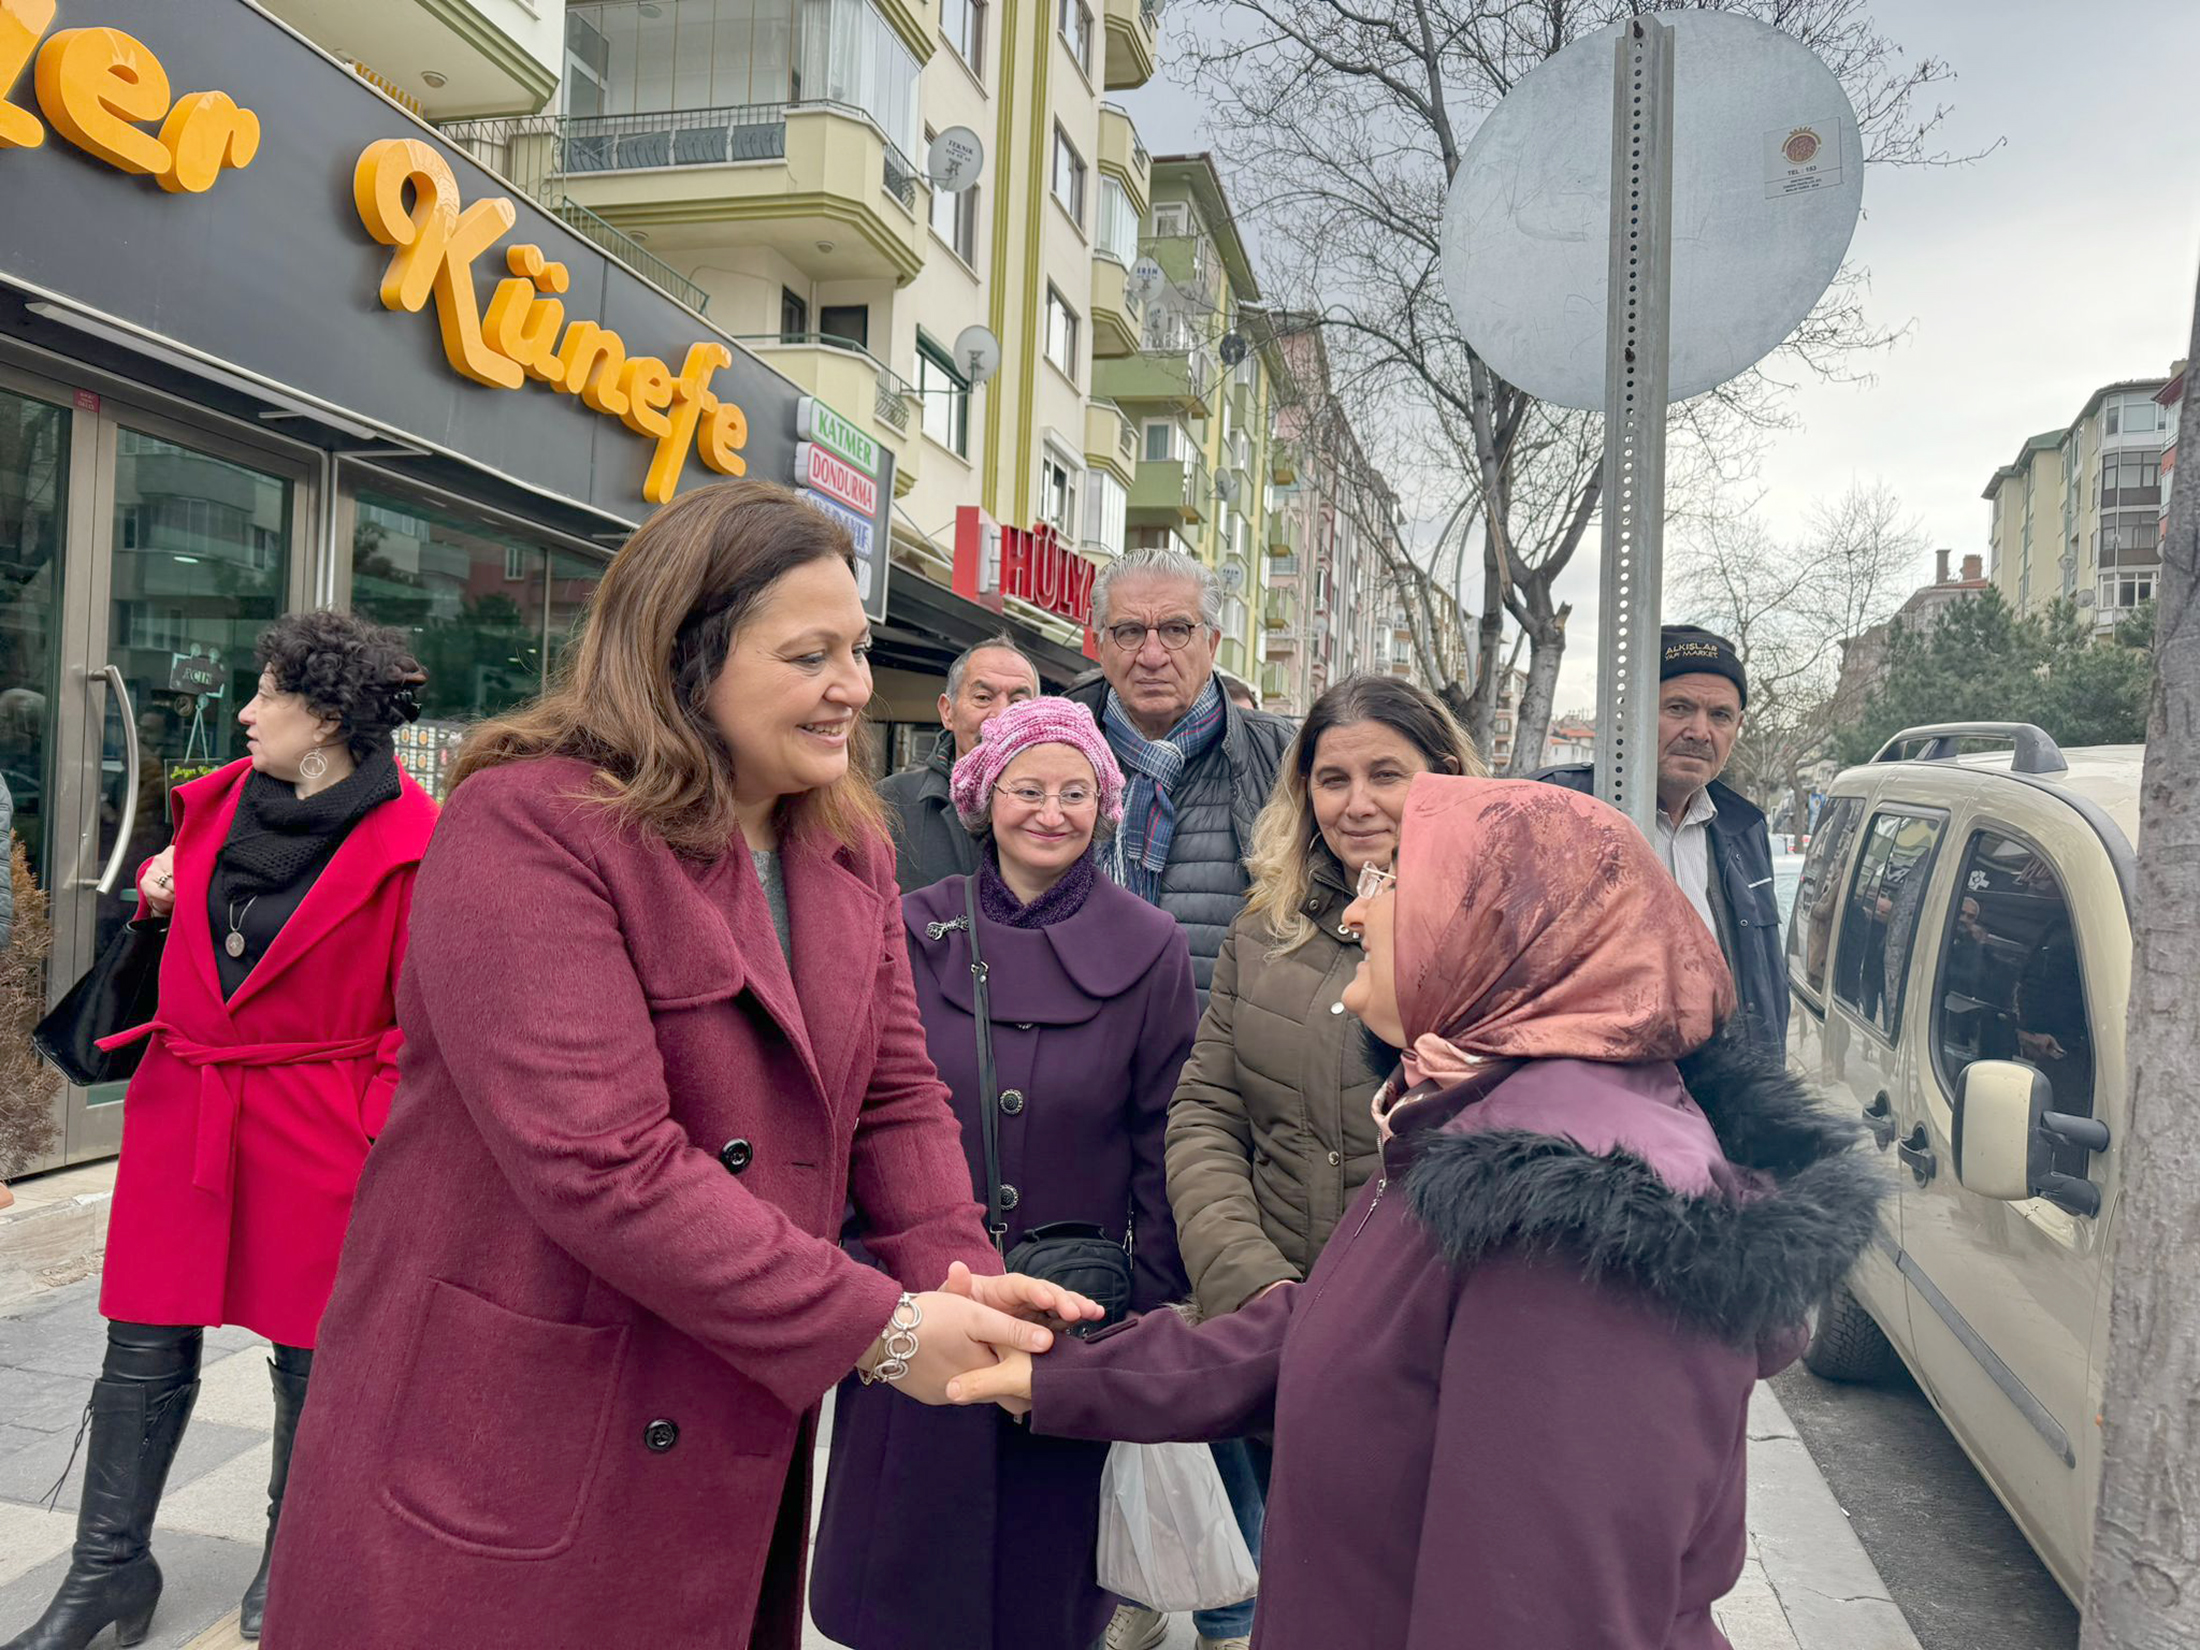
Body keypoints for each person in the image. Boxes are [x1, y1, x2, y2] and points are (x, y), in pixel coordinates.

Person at [260, 482, 1096, 1650]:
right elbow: (601, 1163)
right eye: (809, 655)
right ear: (680, 653)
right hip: (521, 1422)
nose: (853, 686)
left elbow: (895, 1097)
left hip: (721, 1410)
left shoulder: (844, 840)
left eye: (855, 649)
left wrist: (958, 1277)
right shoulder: (527, 827)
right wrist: (880, 1329)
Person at [948, 776, 1887, 1649]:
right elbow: (1336, 1337)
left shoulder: (1579, 1218)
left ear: (1504, 929)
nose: (1355, 907)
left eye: (1396, 879)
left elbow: (1537, 1616)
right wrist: (1066, 1373)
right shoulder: (1483, 1117)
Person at [4, 612, 437, 1650]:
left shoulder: (413, 844)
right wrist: (157, 899)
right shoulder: (212, 810)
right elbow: (207, 945)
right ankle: (107, 1570)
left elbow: (415, 1019)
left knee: (308, 1353)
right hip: (185, 1109)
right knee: (141, 1341)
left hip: (318, 1120)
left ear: (326, 719)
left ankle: (293, 1561)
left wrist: (369, 1130)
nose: (245, 712)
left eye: (269, 693)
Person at [813, 696, 1197, 1650]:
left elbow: (1163, 1139)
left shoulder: (1151, 947)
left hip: (1070, 1317)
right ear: (986, 796)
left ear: (1104, 806)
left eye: (1076, 792)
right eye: (1029, 789)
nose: (1051, 812)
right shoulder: (909, 925)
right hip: (920, 1292)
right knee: (905, 1567)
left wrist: (1152, 1315)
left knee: (1042, 1582)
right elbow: (858, 1107)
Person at [1066, 546, 1293, 1650]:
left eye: (1177, 630)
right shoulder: (1047, 749)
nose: (1151, 652)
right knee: (1092, 1334)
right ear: (1092, 642)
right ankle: (1128, 1575)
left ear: (1215, 641)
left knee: (1227, 1348)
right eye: (1128, 632)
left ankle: (1235, 1603)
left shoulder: (1278, 763)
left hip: (1228, 1119)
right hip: (1069, 1107)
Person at [1166, 679, 1481, 1421]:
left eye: (1386, 775)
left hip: (1426, 1349)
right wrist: (1251, 1285)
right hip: (1276, 1339)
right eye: (1332, 780)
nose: (1356, 803)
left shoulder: (1493, 936)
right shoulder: (1264, 931)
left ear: (1441, 780)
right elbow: (1207, 1115)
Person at [1537, 625, 1788, 1054]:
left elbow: (1765, 984)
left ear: (1738, 727)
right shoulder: (1557, 810)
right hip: (1597, 1100)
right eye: (1679, 708)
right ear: (1631, 713)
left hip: (1727, 1100)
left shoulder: (1744, 830)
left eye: (1720, 716)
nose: (1700, 731)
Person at [880, 635, 1040, 893]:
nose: (1000, 716)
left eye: (1018, 702)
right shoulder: (890, 802)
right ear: (947, 711)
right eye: (983, 697)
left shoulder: (1063, 809)